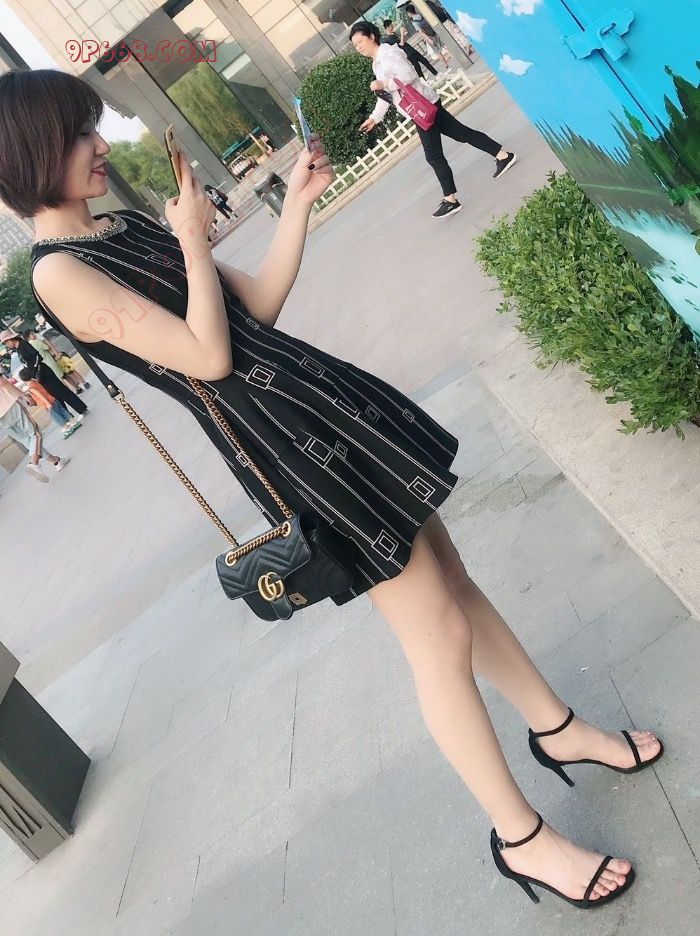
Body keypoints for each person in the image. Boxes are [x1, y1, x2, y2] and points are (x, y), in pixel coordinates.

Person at [0, 67, 663, 910]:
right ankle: (521, 839)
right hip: (286, 451)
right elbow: (207, 357)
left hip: (320, 403)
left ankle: (558, 729)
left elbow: (253, 310)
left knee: (454, 582)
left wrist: (299, 207)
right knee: (436, 633)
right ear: (29, 155)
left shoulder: (123, 226)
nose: (100, 146)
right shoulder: (58, 273)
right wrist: (192, 241)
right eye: (78, 135)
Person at [352, 22, 517, 219]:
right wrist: (374, 118)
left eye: (360, 41)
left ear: (372, 36)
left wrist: (384, 83)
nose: (358, 47)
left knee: (434, 156)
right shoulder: (377, 62)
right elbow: (387, 95)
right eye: (355, 45)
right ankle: (503, 155)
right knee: (462, 134)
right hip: (423, 107)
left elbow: (408, 75)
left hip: (423, 108)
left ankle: (450, 199)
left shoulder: (388, 55)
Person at [0, 328, 88, 421]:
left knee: (62, 391)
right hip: (37, 376)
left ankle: (82, 409)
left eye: (6, 342)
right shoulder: (17, 350)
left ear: (11, 339)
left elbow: (37, 356)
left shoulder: (23, 344)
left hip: (43, 371)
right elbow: (26, 364)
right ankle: (68, 417)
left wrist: (36, 370)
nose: (7, 345)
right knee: (54, 396)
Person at [0, 373, 69, 480]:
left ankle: (56, 461)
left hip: (1, 420)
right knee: (34, 434)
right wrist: (25, 396)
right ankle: (34, 464)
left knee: (27, 441)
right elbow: (3, 383)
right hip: (10, 407)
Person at [17, 366, 82, 438]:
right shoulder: (35, 382)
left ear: (23, 379)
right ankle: (74, 422)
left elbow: (40, 395)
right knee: (62, 411)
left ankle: (67, 428)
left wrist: (47, 403)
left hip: (47, 404)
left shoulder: (31, 388)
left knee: (57, 417)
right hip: (53, 399)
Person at [24, 328, 91, 393]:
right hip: (53, 359)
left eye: (33, 333)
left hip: (54, 357)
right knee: (66, 375)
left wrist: (56, 353)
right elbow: (47, 347)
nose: (34, 334)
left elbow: (48, 345)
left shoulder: (36, 341)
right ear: (28, 337)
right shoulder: (35, 342)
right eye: (31, 334)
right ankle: (79, 387)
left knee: (69, 372)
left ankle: (83, 384)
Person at [404, 2, 451, 70]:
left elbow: (421, 32)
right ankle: (456, 56)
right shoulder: (422, 14)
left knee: (438, 52)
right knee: (446, 46)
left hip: (429, 36)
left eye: (408, 13)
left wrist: (428, 39)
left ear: (409, 13)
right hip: (436, 31)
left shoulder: (415, 22)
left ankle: (446, 65)